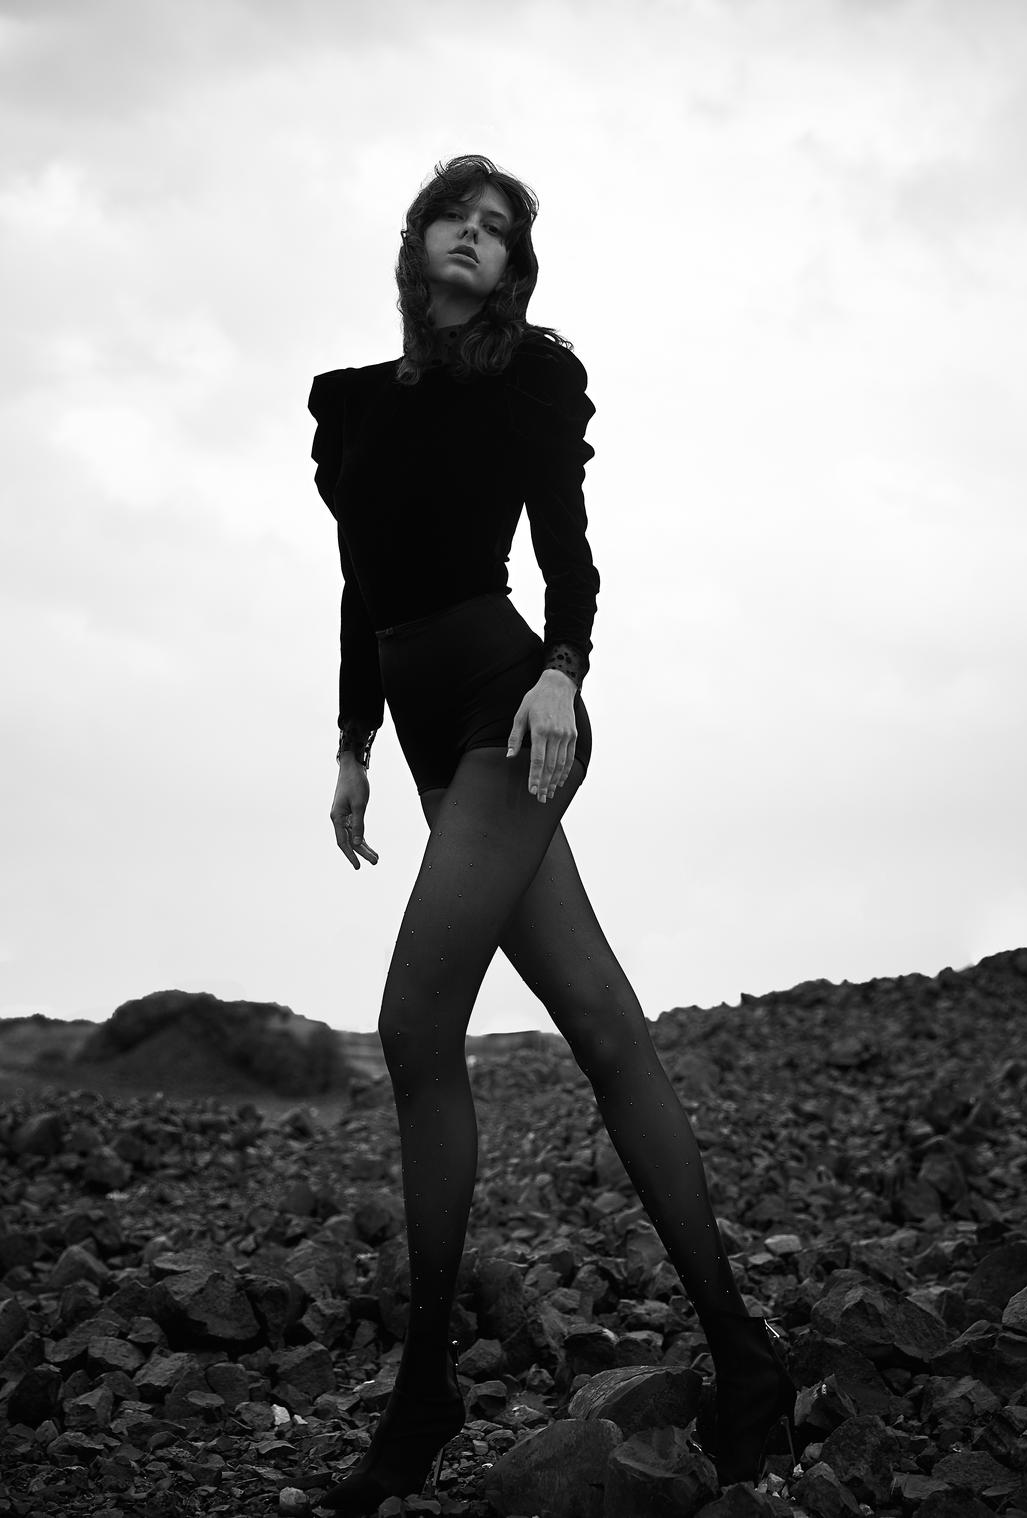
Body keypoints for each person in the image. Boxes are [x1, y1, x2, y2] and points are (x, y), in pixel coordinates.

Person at [307, 155, 796, 1515]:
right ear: (414, 240)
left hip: (509, 713)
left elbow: (568, 549)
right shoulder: (348, 405)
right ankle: (746, 1357)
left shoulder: (528, 379)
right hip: (422, 730)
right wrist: (350, 747)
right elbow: (359, 586)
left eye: (500, 230)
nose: (475, 236)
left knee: (414, 1026)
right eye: (457, 217)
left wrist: (564, 674)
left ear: (513, 269)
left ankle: (423, 1395)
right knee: (603, 1026)